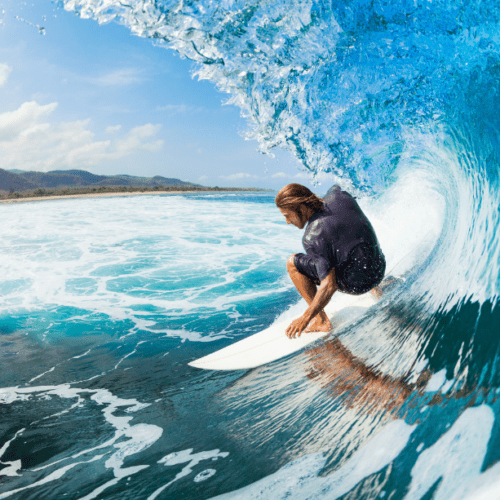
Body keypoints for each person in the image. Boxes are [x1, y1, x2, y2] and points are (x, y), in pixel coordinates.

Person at [276, 183, 386, 339]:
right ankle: (377, 289)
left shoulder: (312, 236)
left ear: (301, 209)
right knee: (345, 242)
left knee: (292, 263)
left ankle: (320, 321)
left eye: (287, 215)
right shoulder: (339, 195)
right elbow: (339, 184)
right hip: (378, 268)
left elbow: (329, 285)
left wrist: (305, 318)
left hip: (358, 285)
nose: (287, 221)